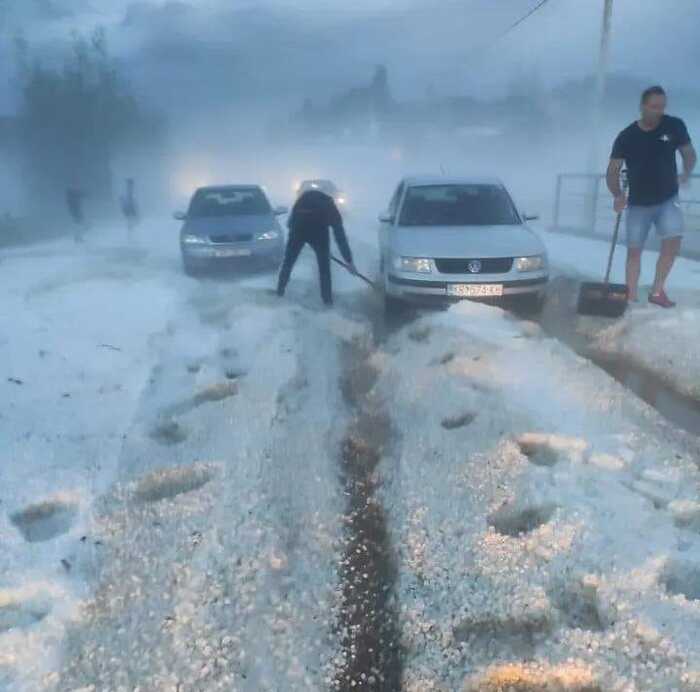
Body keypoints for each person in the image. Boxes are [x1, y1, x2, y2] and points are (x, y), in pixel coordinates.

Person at [607, 85, 696, 307]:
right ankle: (630, 295)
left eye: (662, 106)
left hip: (667, 199)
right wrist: (618, 194)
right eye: (654, 107)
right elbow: (613, 170)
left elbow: (689, 153)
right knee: (634, 251)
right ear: (642, 106)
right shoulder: (626, 136)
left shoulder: (674, 125)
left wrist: (686, 172)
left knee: (673, 242)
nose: (659, 111)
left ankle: (657, 291)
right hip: (638, 203)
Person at [277, 187, 357, 306]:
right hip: (318, 233)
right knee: (324, 268)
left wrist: (302, 242)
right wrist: (349, 261)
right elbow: (339, 235)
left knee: (288, 262)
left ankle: (279, 292)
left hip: (297, 230)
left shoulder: (302, 200)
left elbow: (290, 224)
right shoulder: (330, 205)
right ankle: (327, 301)